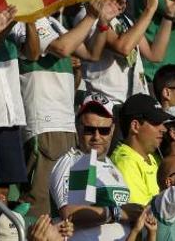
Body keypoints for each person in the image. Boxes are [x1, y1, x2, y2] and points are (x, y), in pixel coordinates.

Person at [51, 93, 137, 240]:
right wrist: (117, 213)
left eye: (103, 130)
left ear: (112, 130)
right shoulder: (75, 162)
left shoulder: (112, 166)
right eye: (89, 130)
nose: (97, 137)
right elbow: (70, 214)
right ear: (78, 128)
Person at [110, 93, 173, 205]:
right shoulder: (125, 163)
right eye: (156, 122)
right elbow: (142, 213)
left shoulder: (152, 157)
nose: (163, 129)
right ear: (135, 126)